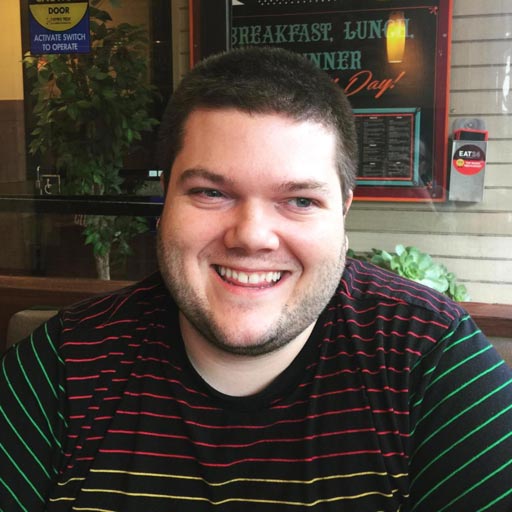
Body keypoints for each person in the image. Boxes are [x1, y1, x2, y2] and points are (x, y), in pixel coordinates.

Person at [1, 47, 511, 512]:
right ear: (165, 202)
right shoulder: (64, 366)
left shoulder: (430, 360)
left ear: (343, 212)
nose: (251, 236)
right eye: (210, 192)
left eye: (300, 200)